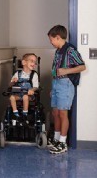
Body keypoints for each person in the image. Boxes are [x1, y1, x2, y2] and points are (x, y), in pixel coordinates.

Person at [47, 25, 86, 154]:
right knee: (55, 113)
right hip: (56, 83)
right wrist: (53, 87)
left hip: (66, 84)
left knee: (63, 113)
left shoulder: (70, 50)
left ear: (58, 37)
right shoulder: (58, 51)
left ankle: (63, 143)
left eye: (51, 40)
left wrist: (66, 70)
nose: (50, 42)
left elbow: (82, 66)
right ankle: (56, 139)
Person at [9, 53, 39, 125]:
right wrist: (13, 82)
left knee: (25, 97)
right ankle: (16, 114)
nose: (34, 63)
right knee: (11, 97)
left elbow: (36, 86)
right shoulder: (17, 73)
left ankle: (24, 114)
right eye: (31, 61)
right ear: (23, 62)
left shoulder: (34, 75)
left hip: (29, 95)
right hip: (18, 94)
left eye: (35, 62)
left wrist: (32, 90)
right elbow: (10, 85)